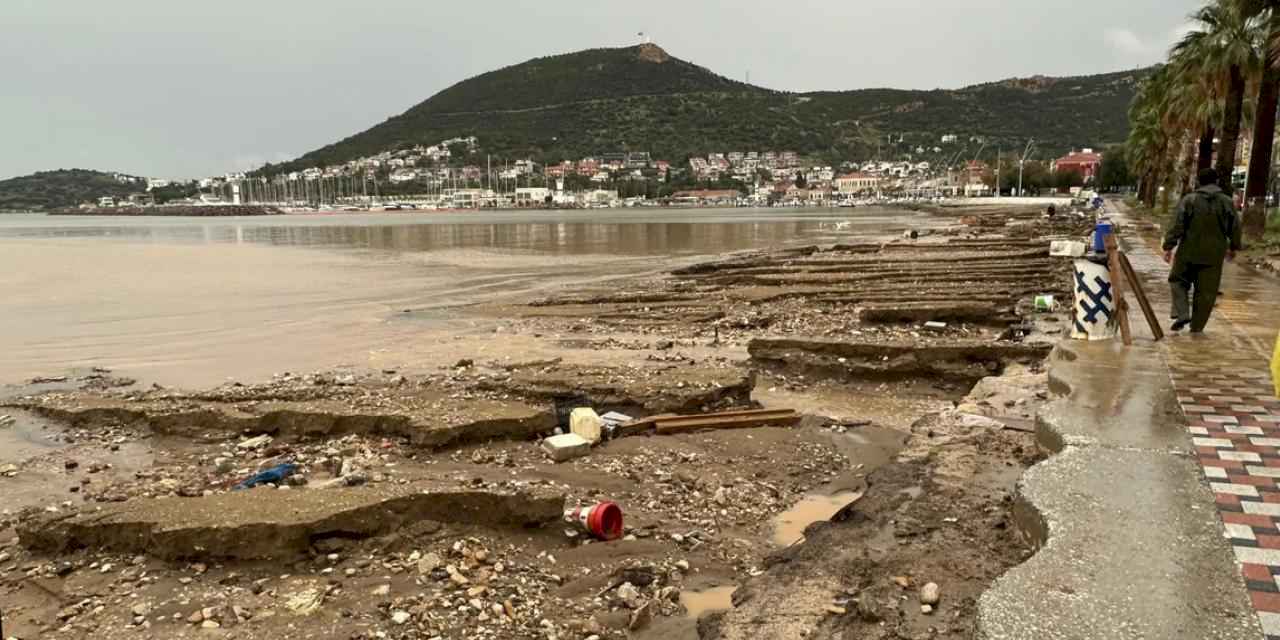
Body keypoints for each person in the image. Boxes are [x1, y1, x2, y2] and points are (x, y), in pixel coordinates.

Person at [1163, 168, 1242, 333]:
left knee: (1177, 281)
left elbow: (1177, 225)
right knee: (1206, 293)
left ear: (1199, 182)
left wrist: (1168, 246)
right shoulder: (1227, 202)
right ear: (1217, 181)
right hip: (1214, 255)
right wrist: (1234, 247)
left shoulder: (1189, 200)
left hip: (1188, 252)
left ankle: (1182, 313)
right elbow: (1235, 227)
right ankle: (1196, 330)